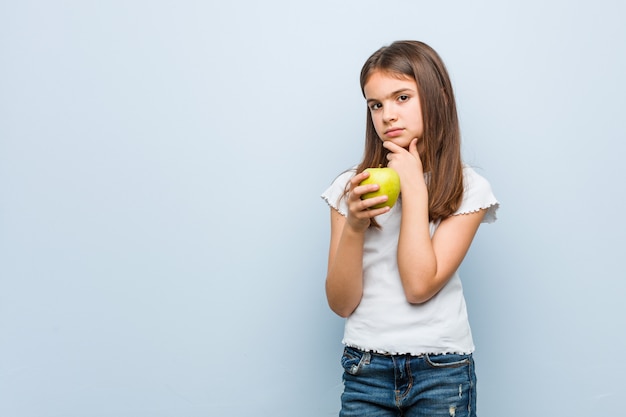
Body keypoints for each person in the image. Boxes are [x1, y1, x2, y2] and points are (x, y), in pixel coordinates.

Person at [321, 40, 499, 417]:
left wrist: (415, 190)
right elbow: (341, 303)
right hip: (365, 367)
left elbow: (419, 285)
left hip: (442, 370)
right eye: (376, 104)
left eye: (402, 97)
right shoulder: (350, 188)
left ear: (439, 98)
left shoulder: (467, 188)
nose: (388, 115)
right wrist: (355, 224)